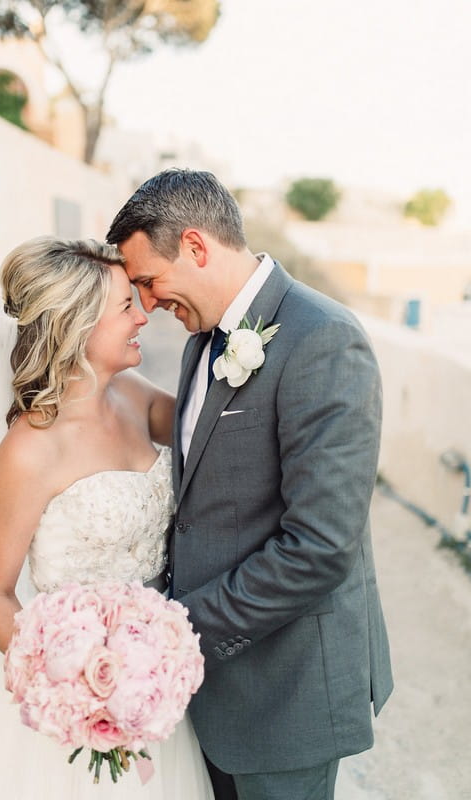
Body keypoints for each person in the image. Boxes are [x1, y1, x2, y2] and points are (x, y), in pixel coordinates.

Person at [107, 169, 394, 800]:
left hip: (286, 691)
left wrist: (176, 629)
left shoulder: (325, 340)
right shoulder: (200, 341)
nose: (148, 304)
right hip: (207, 694)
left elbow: (319, 546)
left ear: (196, 247)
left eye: (149, 281)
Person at [0, 237, 214, 799]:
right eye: (126, 306)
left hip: (153, 678)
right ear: (76, 328)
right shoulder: (27, 454)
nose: (143, 315)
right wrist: (75, 685)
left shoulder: (134, 397)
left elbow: (212, 431)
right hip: (73, 690)